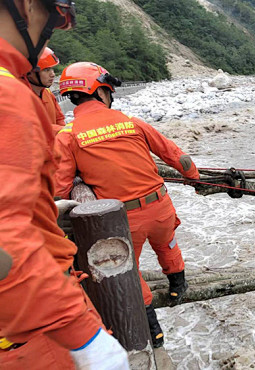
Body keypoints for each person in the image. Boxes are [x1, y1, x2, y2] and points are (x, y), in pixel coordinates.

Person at [0, 0, 128, 369]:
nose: (52, 29)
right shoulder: (9, 95)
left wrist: (42, 206)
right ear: (26, 6)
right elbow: (6, 252)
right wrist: (83, 336)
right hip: (30, 332)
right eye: (54, 19)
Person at [54, 62, 200, 348]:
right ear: (102, 91)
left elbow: (61, 187)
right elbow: (177, 157)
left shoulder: (68, 136)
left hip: (124, 218)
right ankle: (178, 285)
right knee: (167, 243)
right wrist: (195, 178)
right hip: (161, 207)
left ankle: (152, 328)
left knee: (128, 268)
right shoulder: (132, 123)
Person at [26, 47, 65, 136]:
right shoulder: (20, 97)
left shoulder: (48, 94)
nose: (52, 74)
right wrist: (65, 130)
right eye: (46, 70)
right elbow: (34, 127)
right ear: (29, 72)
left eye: (52, 69)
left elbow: (59, 119)